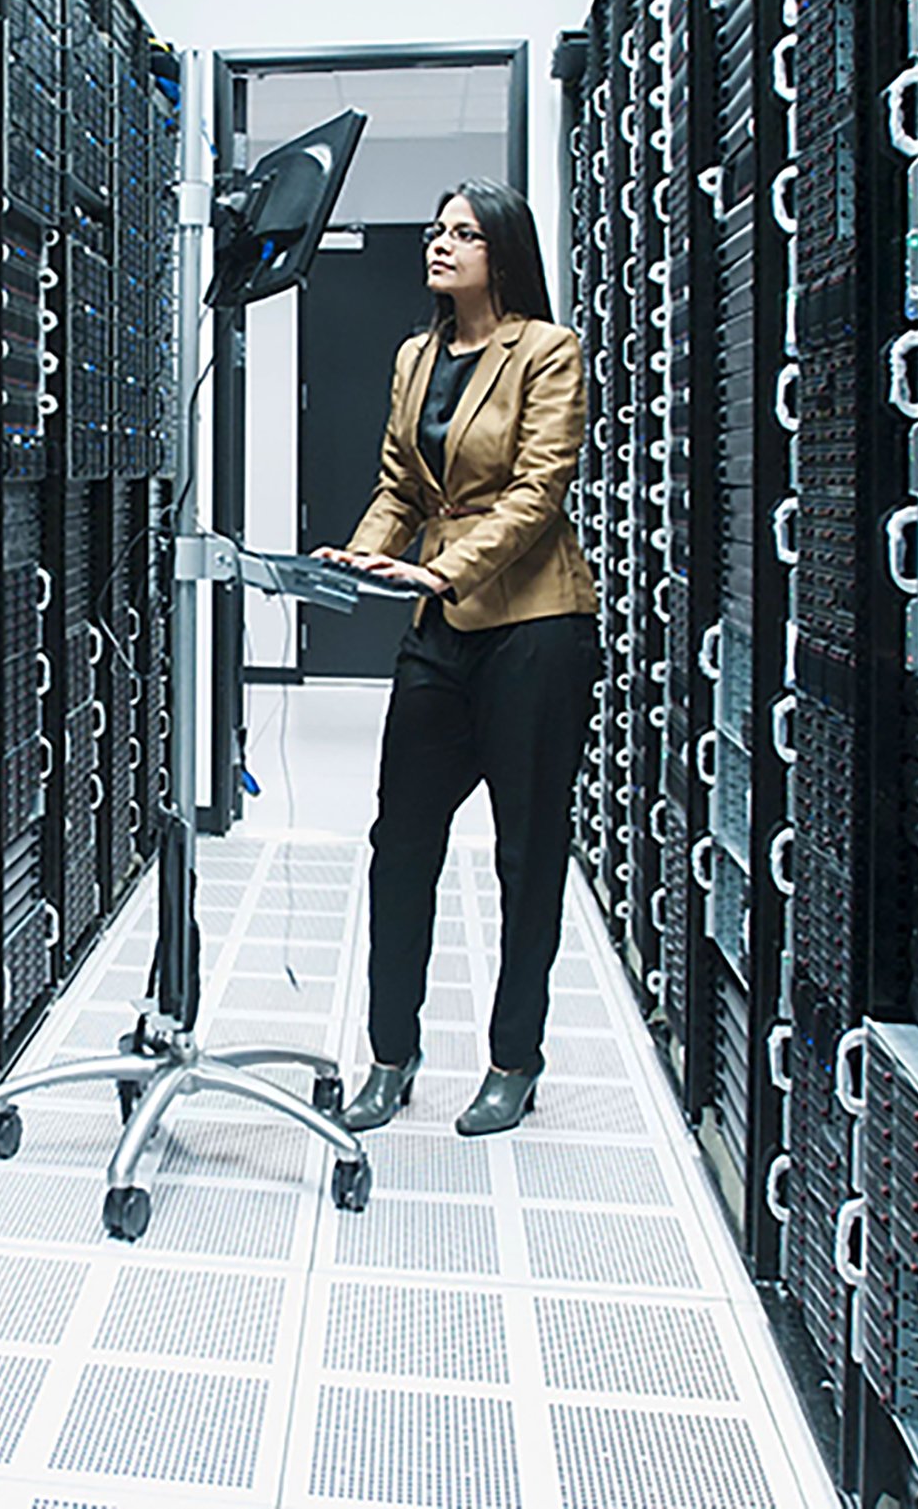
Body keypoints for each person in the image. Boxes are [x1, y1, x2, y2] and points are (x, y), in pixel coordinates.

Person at [312, 179, 599, 1138]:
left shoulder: (548, 352)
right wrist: (362, 556)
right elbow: (400, 484)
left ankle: (515, 1058)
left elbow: (537, 493)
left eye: (463, 233)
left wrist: (437, 574)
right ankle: (392, 1054)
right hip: (441, 632)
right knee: (401, 846)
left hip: (534, 629)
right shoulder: (415, 356)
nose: (440, 245)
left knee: (529, 853)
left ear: (503, 253)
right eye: (436, 229)